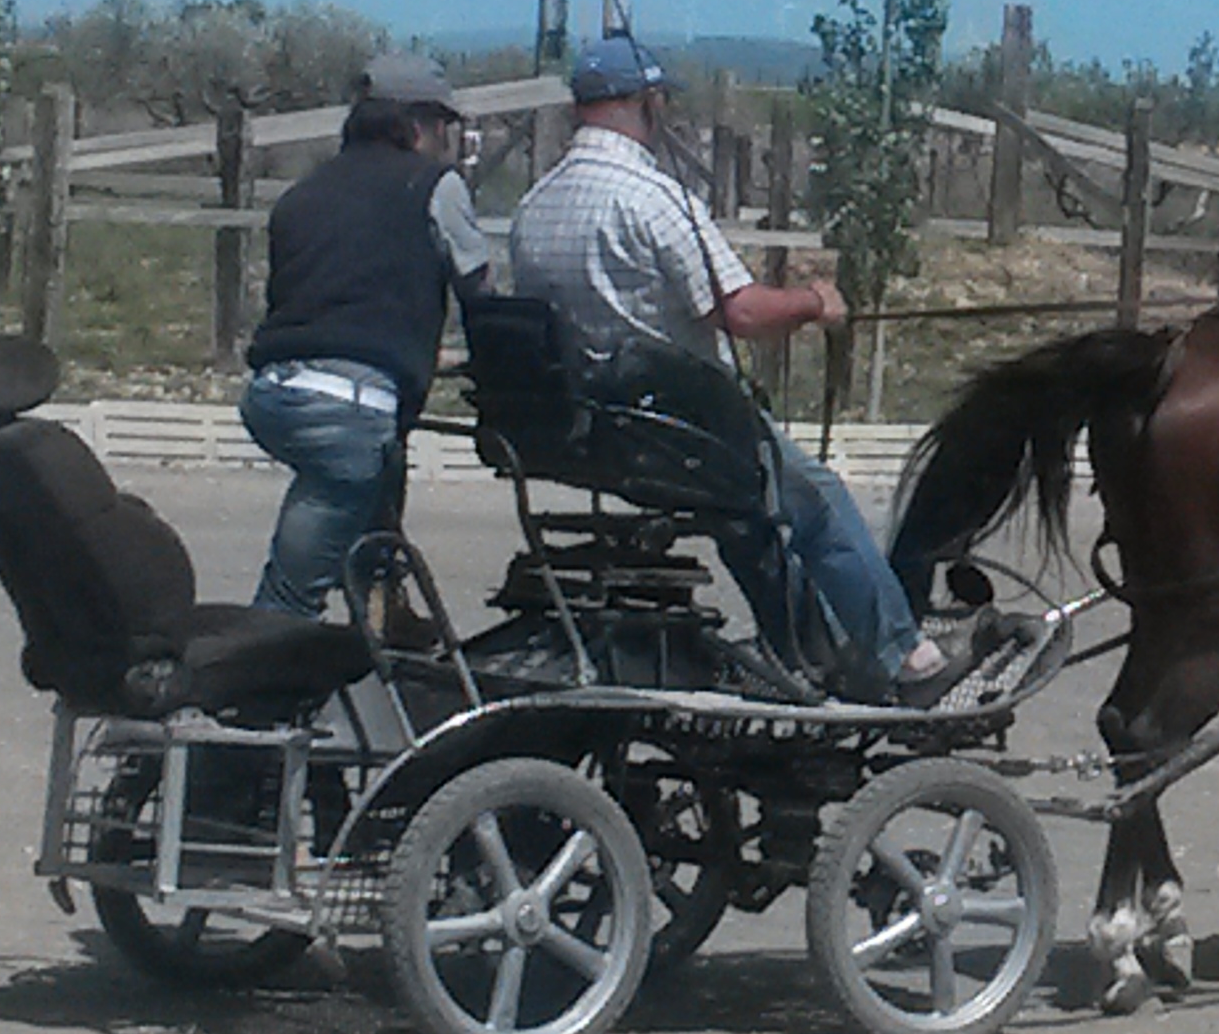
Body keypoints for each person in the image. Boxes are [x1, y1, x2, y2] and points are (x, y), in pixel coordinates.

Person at [508, 35, 971, 706]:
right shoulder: (650, 198)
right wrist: (816, 303)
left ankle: (804, 656)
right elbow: (743, 312)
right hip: (678, 428)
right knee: (815, 498)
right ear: (647, 101)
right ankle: (906, 656)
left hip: (588, 430)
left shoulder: (533, 208)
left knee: (749, 519)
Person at [244, 53, 490, 620]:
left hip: (272, 393)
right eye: (448, 127)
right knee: (291, 595)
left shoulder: (303, 193)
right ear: (421, 126)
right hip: (343, 410)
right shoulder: (435, 185)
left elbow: (329, 304)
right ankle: (262, 686)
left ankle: (384, 611)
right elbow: (483, 297)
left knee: (382, 469)